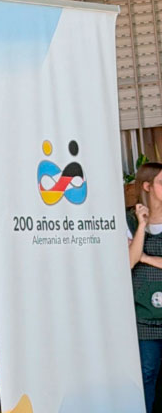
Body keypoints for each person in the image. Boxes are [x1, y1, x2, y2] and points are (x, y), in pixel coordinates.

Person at [126, 162, 162, 412]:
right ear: (147, 186)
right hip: (143, 317)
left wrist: (146, 258)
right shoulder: (129, 219)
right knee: (146, 376)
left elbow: (137, 257)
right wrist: (141, 226)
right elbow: (128, 261)